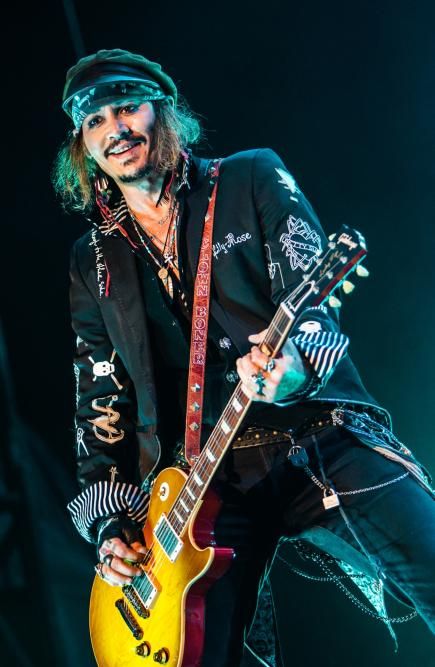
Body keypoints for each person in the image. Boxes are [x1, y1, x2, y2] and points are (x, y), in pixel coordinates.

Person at [54, 48, 435, 666]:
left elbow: (310, 300)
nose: (114, 129)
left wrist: (295, 370)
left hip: (314, 434)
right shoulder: (91, 260)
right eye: (94, 121)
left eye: (127, 108)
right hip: (201, 484)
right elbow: (100, 400)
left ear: (163, 113)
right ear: (83, 145)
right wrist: (112, 525)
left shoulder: (250, 177)